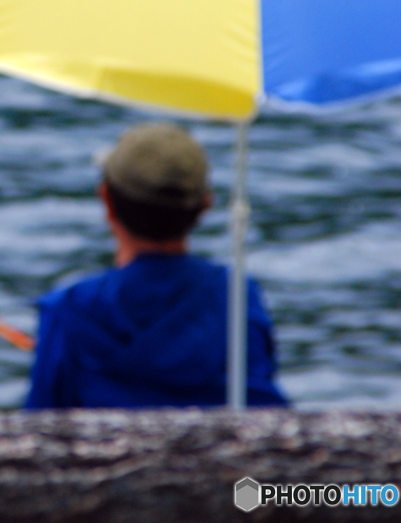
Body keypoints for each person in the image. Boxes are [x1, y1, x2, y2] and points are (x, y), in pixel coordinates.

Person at [25, 123, 287, 408]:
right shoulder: (239, 297)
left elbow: (39, 424)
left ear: (106, 200)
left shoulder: (69, 310)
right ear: (205, 206)